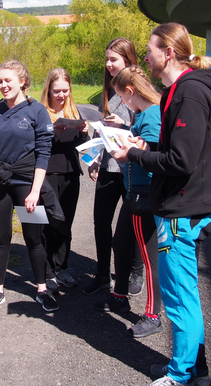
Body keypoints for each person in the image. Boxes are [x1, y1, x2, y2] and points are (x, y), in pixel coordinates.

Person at [115, 23, 211, 386]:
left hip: (182, 207)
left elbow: (182, 162)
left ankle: (181, 375)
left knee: (179, 299)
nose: (144, 56)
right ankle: (194, 369)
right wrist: (147, 149)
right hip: (185, 203)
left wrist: (133, 154)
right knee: (185, 295)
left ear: (169, 52)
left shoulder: (189, 94)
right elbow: (179, 151)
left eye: (149, 49)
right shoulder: (183, 89)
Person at [0, 60, 59, 312]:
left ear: (22, 81)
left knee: (34, 239)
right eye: (0, 81)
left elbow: (44, 153)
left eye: (8, 81)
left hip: (26, 184)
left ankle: (42, 289)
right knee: (1, 238)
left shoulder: (37, 111)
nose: (3, 85)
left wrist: (35, 191)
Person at [94, 65, 163, 339]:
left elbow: (155, 154)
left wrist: (129, 152)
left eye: (123, 97)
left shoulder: (152, 114)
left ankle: (153, 314)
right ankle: (120, 294)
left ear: (132, 92)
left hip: (145, 194)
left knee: (148, 255)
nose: (122, 102)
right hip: (133, 191)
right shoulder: (143, 114)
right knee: (120, 242)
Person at [83, 38, 144, 296]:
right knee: (101, 221)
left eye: (114, 59)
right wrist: (93, 159)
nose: (108, 64)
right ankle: (101, 273)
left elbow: (148, 131)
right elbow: (99, 130)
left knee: (133, 224)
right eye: (107, 59)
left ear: (128, 60)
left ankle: (136, 272)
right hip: (108, 166)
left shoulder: (140, 89)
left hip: (131, 168)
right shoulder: (107, 91)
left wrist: (125, 124)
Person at [40, 68, 89, 292]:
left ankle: (62, 267)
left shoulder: (74, 111)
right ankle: (46, 272)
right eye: (57, 90)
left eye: (65, 90)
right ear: (48, 90)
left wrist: (85, 133)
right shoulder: (40, 113)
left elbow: (81, 146)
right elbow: (32, 145)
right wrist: (52, 134)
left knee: (65, 224)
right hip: (45, 176)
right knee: (45, 224)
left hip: (70, 175)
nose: (61, 95)